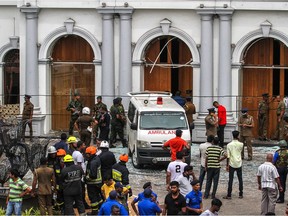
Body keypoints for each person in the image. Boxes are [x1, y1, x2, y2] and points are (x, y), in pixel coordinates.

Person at [223, 130, 244, 199]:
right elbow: (240, 152)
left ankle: (229, 194)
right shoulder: (241, 144)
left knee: (230, 179)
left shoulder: (229, 145)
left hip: (232, 163)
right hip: (239, 162)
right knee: (240, 179)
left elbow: (228, 156)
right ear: (238, 136)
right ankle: (241, 193)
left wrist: (227, 165)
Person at [85, 146, 103, 214]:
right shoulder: (96, 158)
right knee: (98, 197)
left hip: (93, 183)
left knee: (93, 198)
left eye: (87, 154)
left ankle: (94, 212)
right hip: (98, 183)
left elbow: (93, 175)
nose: (86, 155)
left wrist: (86, 178)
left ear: (91, 153)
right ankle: (101, 209)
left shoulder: (93, 162)